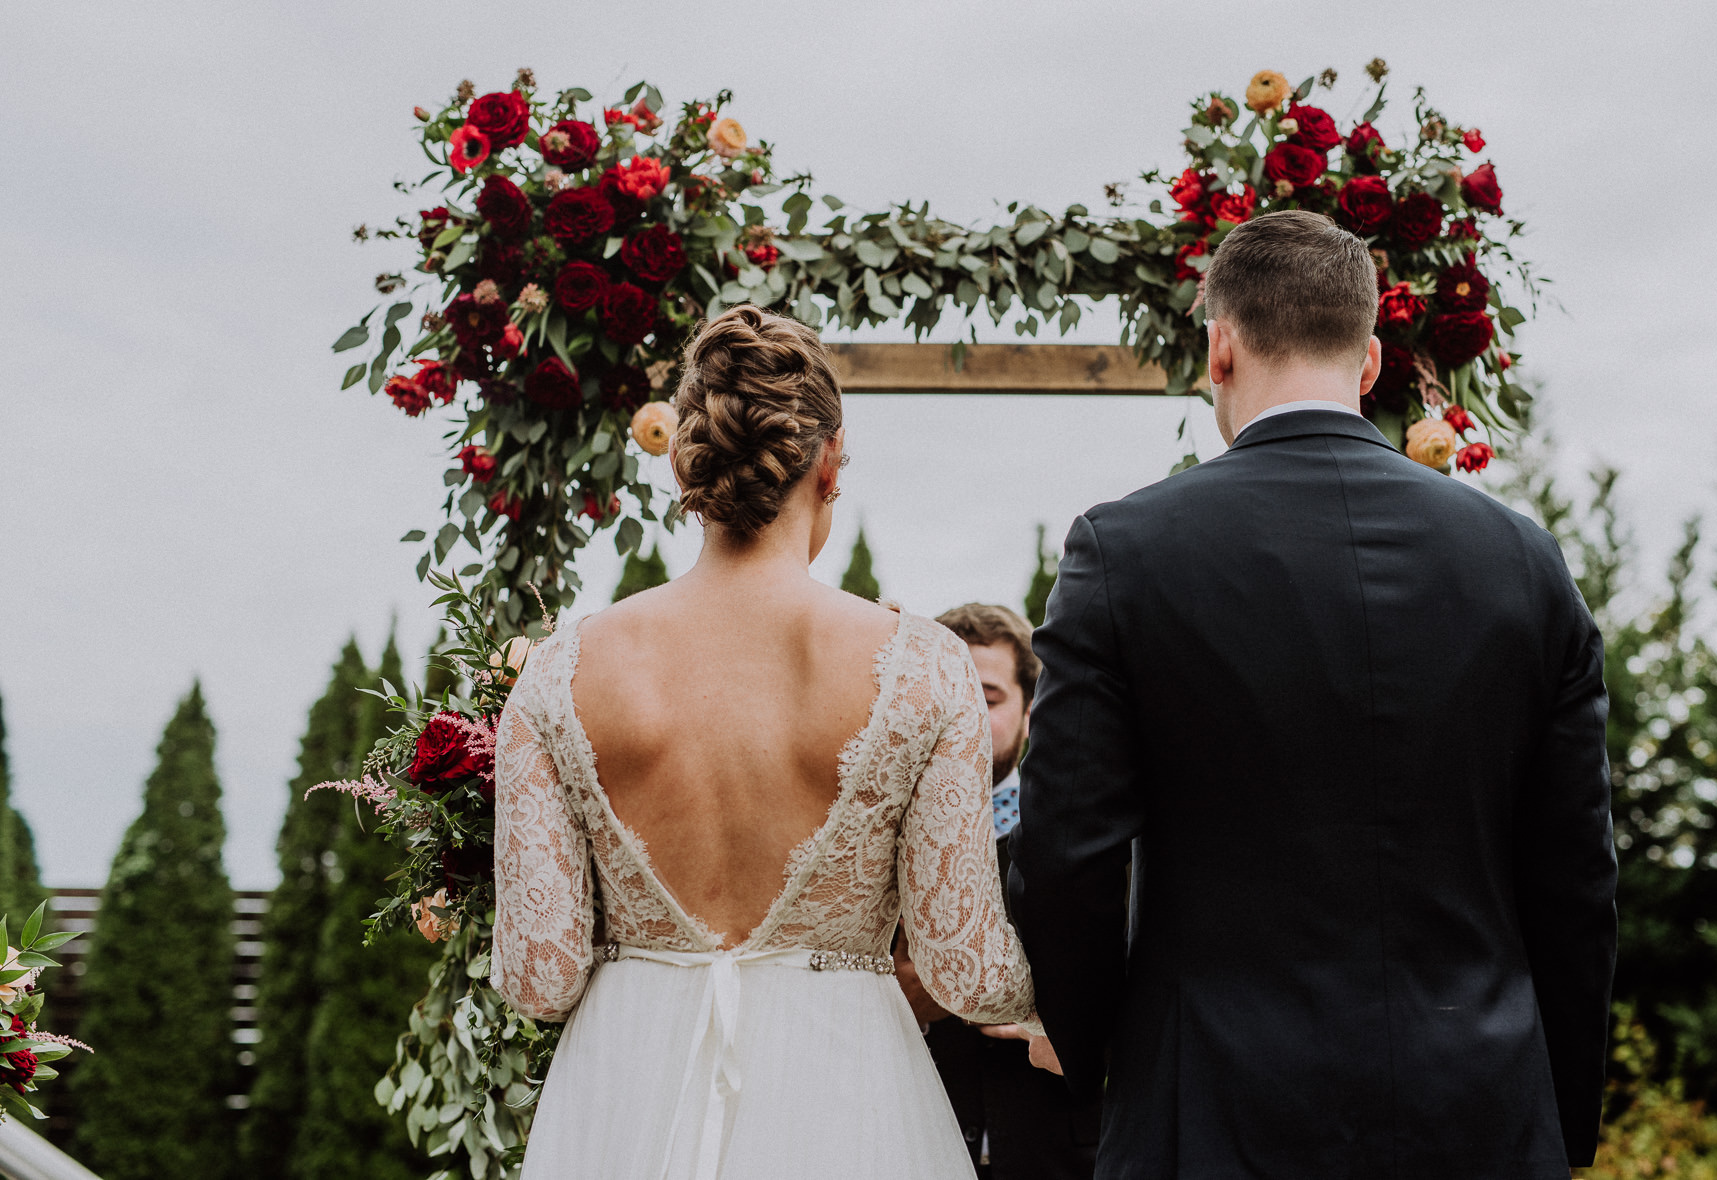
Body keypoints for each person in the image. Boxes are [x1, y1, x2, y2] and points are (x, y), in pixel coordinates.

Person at [1010, 210, 1617, 1179]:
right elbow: (1576, 877)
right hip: (1481, 1116)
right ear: (1370, 361)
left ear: (1218, 347)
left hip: (1206, 1112)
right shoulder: (1523, 564)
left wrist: (1092, 1062)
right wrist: (1556, 1114)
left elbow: (1066, 851)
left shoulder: (1124, 552)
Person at [491, 306, 1046, 1180]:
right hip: (846, 1089)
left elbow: (540, 977)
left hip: (625, 1097)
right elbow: (962, 967)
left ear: (684, 462)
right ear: (828, 463)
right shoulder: (920, 668)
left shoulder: (561, 672)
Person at [897, 603, 1100, 1179]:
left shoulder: (1086, 831)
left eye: (984, 700)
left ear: (1031, 712)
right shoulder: (871, 829)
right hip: (913, 1139)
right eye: (948, 695)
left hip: (1059, 1150)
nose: (962, 717)